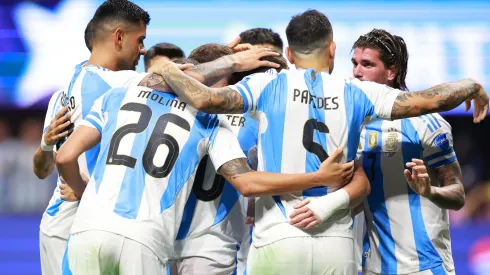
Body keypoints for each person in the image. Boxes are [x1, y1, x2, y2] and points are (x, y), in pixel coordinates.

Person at [153, 9, 488, 275]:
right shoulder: (358, 92)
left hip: (278, 238)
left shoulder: (266, 86)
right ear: (332, 50)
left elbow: (204, 99)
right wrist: (471, 84)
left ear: (288, 51)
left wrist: (179, 68)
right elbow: (428, 100)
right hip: (337, 245)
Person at [33, 0, 280, 273]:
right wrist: (231, 61)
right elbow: (179, 81)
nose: (142, 50)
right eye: (140, 40)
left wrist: (46, 145)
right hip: (112, 225)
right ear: (118, 37)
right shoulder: (119, 85)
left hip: (74, 225)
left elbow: (46, 167)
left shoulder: (68, 88)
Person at [55, 82, 355, 274]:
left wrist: (83, 192)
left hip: (89, 229)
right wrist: (316, 177)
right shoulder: (210, 119)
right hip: (162, 240)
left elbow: (64, 156)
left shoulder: (117, 94)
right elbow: (246, 182)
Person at [350, 29, 464, 275]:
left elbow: (457, 194)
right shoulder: (351, 122)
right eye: (355, 63)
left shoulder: (426, 123)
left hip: (423, 267)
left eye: (367, 64)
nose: (357, 72)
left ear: (391, 72)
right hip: (372, 267)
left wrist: (429, 191)